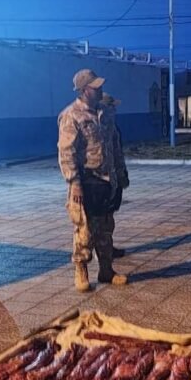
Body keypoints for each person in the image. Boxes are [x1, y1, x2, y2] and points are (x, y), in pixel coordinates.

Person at [58, 69, 128, 292]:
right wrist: (74, 183)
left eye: (99, 86)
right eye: (95, 87)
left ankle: (106, 271)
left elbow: (115, 146)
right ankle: (81, 271)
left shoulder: (106, 113)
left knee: (106, 229)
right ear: (84, 90)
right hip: (86, 182)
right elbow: (66, 153)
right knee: (85, 231)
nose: (99, 89)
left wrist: (121, 174)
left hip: (107, 181)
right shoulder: (71, 116)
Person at [99, 93, 130, 258]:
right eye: (111, 106)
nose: (114, 110)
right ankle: (100, 251)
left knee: (109, 216)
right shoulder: (97, 126)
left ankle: (108, 247)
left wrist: (122, 173)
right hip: (101, 180)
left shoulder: (113, 126)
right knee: (100, 219)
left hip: (114, 177)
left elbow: (118, 152)